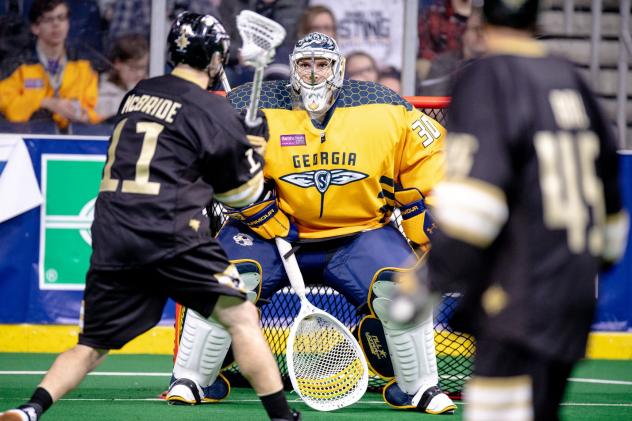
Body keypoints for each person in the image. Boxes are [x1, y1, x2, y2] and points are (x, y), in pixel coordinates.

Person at [0, 12, 299, 421]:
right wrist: (253, 150)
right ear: (214, 59)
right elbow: (242, 196)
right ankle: (283, 418)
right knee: (242, 317)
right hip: (170, 230)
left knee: (91, 346)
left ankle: (31, 408)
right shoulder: (214, 114)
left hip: (112, 230)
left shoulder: (139, 92)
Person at [167, 31, 457, 415]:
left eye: (323, 64)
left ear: (338, 69)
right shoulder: (252, 106)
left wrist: (428, 211)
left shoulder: (384, 106)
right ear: (292, 69)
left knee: (402, 287)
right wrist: (247, 200)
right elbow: (206, 162)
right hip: (269, 233)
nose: (314, 74)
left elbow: (434, 156)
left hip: (359, 233)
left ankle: (418, 386)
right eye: (305, 64)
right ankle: (192, 378)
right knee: (228, 281)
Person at [392, 1, 629, 420]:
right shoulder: (570, 76)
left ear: (480, 26)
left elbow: (475, 206)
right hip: (573, 290)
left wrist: (427, 280)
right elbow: (609, 198)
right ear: (538, 21)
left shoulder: (488, 77)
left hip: (518, 291)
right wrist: (598, 258)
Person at [0, 0, 101, 132]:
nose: (56, 25)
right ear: (35, 28)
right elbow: (7, 105)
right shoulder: (17, 64)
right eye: (48, 20)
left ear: (68, 24)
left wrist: (85, 115)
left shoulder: (84, 63)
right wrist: (46, 103)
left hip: (76, 140)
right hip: (29, 139)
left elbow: (96, 109)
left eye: (61, 18)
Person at [419, 7, 485, 96]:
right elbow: (433, 101)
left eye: (485, 30)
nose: (481, 34)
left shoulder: (495, 64)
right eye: (475, 29)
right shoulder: (443, 63)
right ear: (463, 33)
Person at [95, 34, 149, 122]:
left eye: (143, 68)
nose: (140, 74)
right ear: (118, 64)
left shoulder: (152, 88)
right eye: (133, 68)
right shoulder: (101, 90)